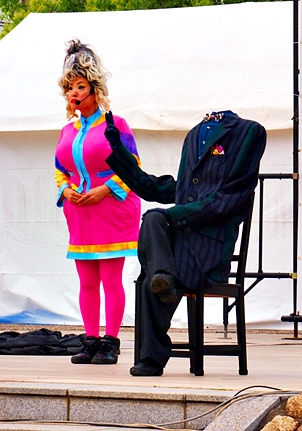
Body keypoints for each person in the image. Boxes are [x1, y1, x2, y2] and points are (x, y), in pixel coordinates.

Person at [104, 108, 266, 377]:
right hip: (181, 246)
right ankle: (163, 277)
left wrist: (175, 214)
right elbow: (152, 188)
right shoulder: (193, 136)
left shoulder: (249, 131)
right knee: (153, 222)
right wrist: (117, 149)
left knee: (155, 262)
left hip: (210, 247)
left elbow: (228, 199)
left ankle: (152, 357)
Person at [54, 40, 141, 365]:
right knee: (87, 281)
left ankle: (111, 342)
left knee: (110, 279)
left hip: (111, 209)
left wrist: (105, 189)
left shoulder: (115, 125)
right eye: (69, 88)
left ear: (94, 89)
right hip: (80, 212)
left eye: (80, 86)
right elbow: (60, 170)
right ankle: (90, 340)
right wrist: (66, 190)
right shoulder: (67, 130)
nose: (74, 93)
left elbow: (133, 165)